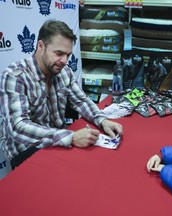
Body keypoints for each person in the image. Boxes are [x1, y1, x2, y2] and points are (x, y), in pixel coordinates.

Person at [0, 19, 123, 169]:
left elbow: (81, 101)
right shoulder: (14, 76)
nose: (64, 61)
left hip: (58, 140)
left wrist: (102, 120)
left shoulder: (64, 72)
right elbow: (18, 128)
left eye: (68, 55)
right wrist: (70, 137)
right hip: (25, 149)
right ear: (40, 46)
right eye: (59, 53)